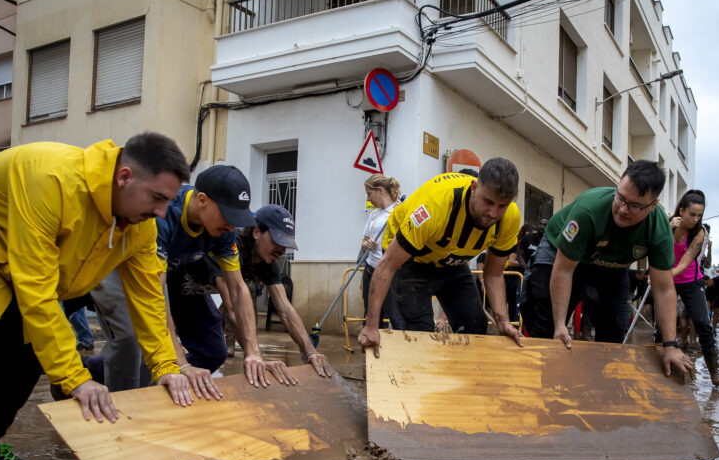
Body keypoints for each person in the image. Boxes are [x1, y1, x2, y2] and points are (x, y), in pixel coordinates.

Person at [0, 133, 198, 460]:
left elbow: (148, 299)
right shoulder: (51, 179)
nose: (164, 212)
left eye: (169, 200)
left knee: (34, 350)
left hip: (17, 254)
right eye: (157, 198)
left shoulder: (141, 225)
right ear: (124, 178)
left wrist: (167, 366)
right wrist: (76, 379)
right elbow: (36, 291)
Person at [520, 160, 694, 379]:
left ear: (652, 206)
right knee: (545, 323)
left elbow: (664, 289)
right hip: (560, 252)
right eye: (620, 197)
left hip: (612, 265)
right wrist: (559, 326)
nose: (622, 209)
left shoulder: (658, 229)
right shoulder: (589, 210)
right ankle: (536, 380)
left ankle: (597, 389)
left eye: (634, 205)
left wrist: (670, 345)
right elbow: (564, 271)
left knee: (614, 329)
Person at [155, 165, 300, 397]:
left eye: (236, 219)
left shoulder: (225, 230)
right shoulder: (163, 215)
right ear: (202, 199)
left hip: (179, 275)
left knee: (213, 352)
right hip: (134, 275)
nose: (232, 227)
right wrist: (180, 364)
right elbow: (154, 296)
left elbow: (238, 289)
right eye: (228, 217)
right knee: (136, 348)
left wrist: (254, 354)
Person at [358, 158, 524, 357]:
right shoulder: (433, 207)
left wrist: (503, 322)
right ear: (474, 188)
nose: (493, 213)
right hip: (411, 260)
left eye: (501, 206)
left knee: (476, 325)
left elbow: (494, 274)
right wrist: (371, 325)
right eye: (488, 202)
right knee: (419, 330)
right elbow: (386, 266)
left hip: (451, 259)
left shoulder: (510, 217)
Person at [223, 204, 334, 377]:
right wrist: (256, 355)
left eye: (286, 244)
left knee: (212, 353)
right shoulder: (232, 248)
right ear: (256, 232)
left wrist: (310, 351)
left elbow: (285, 310)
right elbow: (231, 308)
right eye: (278, 241)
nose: (282, 251)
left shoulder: (267, 262)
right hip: (183, 278)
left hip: (208, 289)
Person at [666, 190, 719, 385]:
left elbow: (684, 262)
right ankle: (663, 369)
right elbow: (656, 248)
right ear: (681, 211)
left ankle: (714, 373)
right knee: (663, 327)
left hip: (691, 281)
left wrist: (663, 275)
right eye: (692, 214)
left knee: (703, 324)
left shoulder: (700, 233)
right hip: (668, 281)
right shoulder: (667, 223)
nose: (695, 219)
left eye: (699, 215)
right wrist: (667, 228)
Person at [360, 174, 404, 329]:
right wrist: (368, 243)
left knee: (395, 315)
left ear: (380, 191)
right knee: (371, 314)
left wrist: (401, 215)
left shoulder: (399, 210)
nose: (368, 199)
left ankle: (401, 350)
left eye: (369, 193)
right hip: (371, 270)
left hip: (390, 272)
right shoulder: (374, 214)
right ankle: (373, 349)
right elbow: (363, 243)